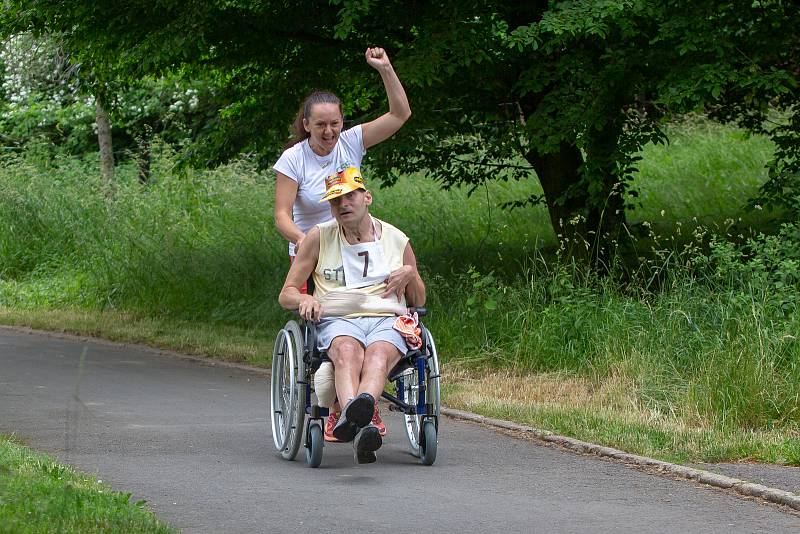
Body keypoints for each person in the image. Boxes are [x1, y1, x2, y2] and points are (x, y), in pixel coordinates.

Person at [273, 46, 411, 439]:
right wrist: (309, 241)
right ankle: (344, 408)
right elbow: (282, 214)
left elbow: (399, 115)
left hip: (358, 244)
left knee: (370, 320)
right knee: (335, 330)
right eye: (321, 126)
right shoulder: (294, 159)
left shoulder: (351, 142)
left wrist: (385, 69)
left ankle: (360, 407)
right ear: (306, 124)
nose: (330, 132)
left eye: (335, 123)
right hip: (315, 250)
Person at [278, 167, 425, 464]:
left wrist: (410, 273)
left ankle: (356, 419)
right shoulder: (319, 237)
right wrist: (305, 297)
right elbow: (287, 293)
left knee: (379, 355)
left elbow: (419, 301)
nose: (343, 204)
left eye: (349, 196)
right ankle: (362, 422)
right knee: (347, 351)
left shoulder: (397, 239)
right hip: (338, 316)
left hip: (386, 316)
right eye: (335, 201)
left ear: (367, 197)